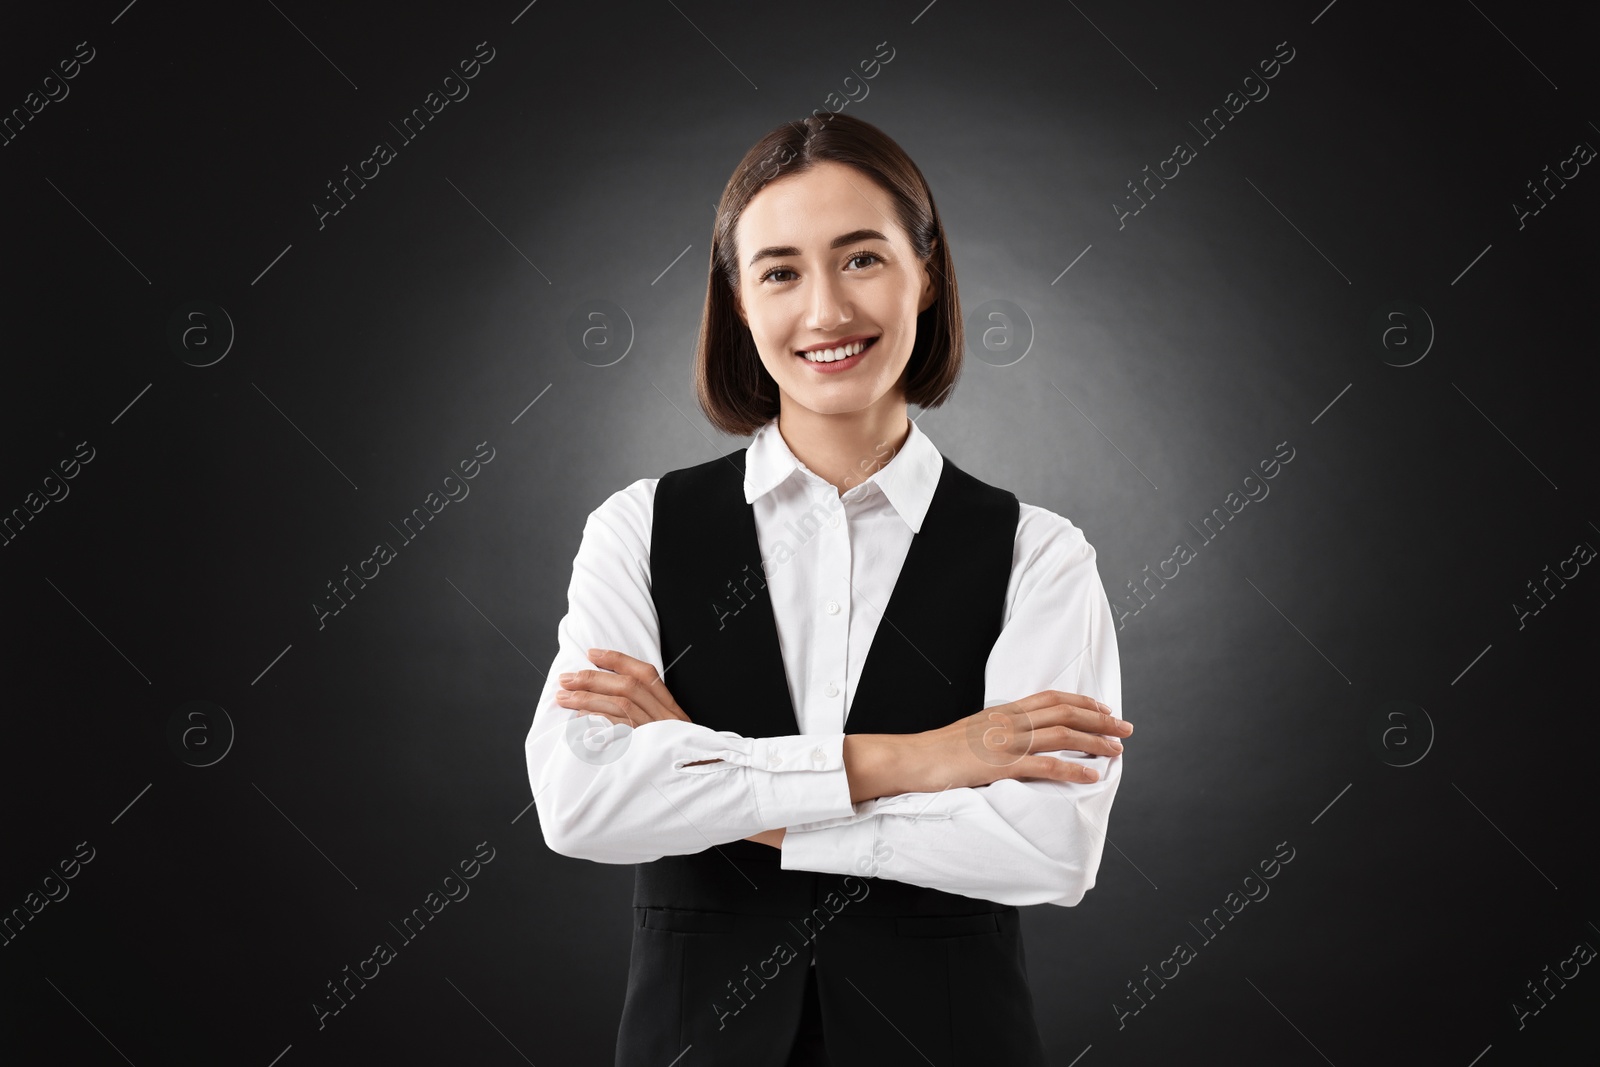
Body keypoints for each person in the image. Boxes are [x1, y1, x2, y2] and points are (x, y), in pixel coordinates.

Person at [524, 112, 1132, 1067]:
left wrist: (718, 786)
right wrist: (928, 758)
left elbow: (1049, 850)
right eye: (779, 271)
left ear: (924, 272)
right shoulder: (636, 528)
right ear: (736, 299)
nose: (824, 312)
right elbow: (582, 805)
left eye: (860, 259)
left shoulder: (1039, 554)